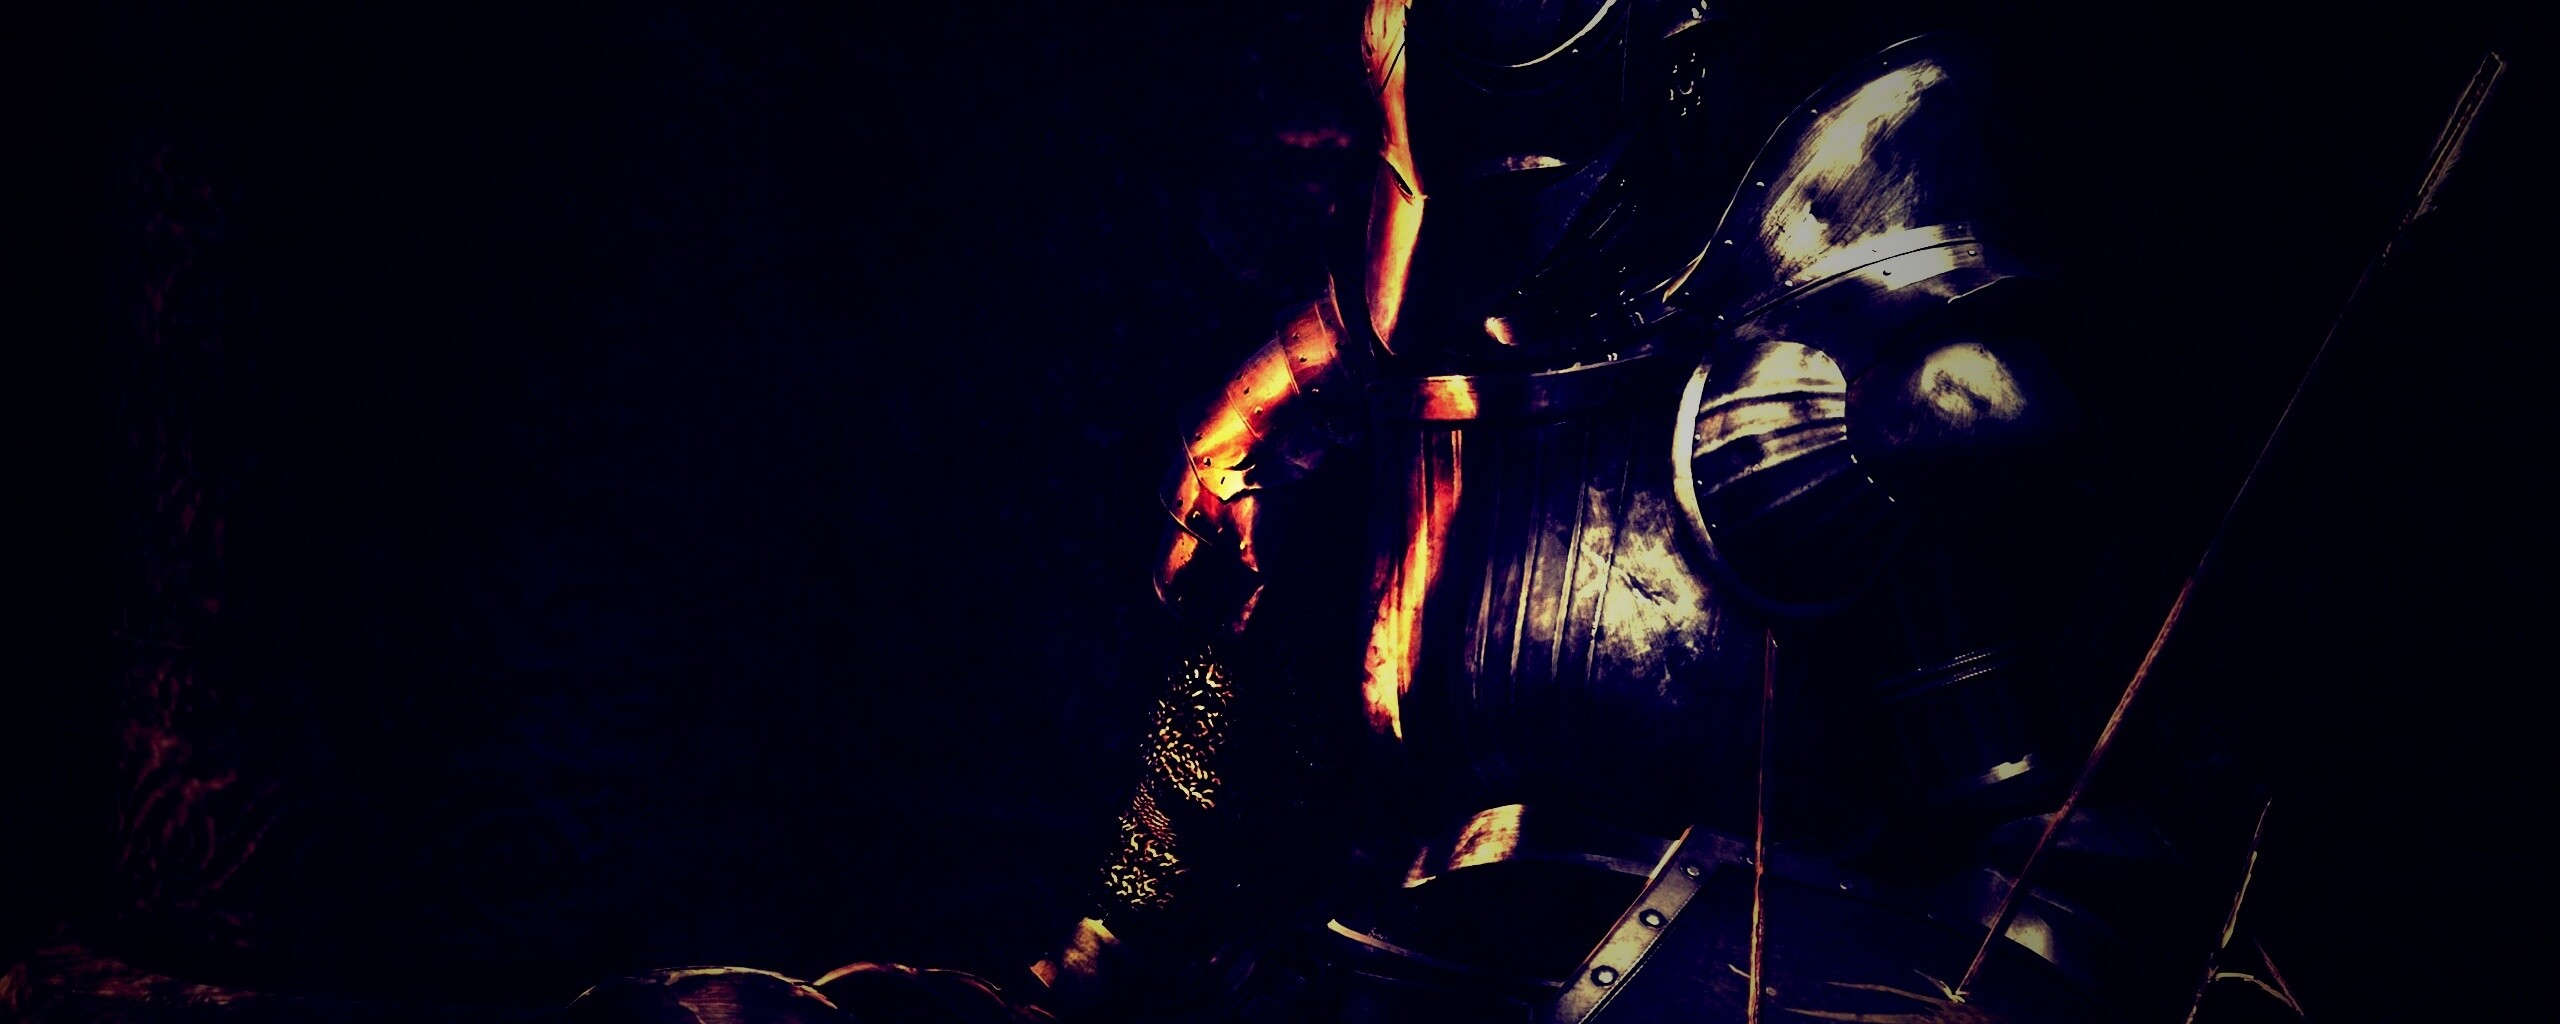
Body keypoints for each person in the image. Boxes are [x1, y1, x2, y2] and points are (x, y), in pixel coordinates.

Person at [573, 2, 2288, 1020]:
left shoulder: (1825, 375)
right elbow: (1205, 830)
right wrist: (1098, 962)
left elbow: (2056, 879)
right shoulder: (1360, 414)